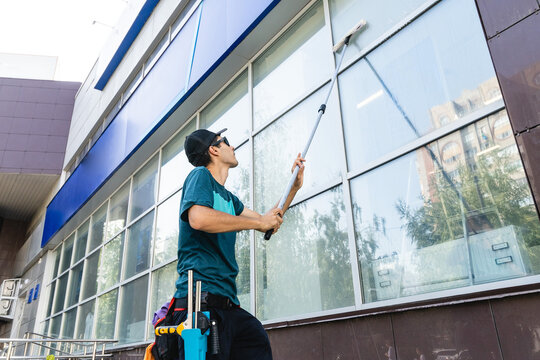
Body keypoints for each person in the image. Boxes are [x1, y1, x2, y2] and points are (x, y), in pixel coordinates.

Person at [174, 128, 305, 360]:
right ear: (214, 149)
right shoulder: (200, 177)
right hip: (199, 301)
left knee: (256, 340)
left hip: (227, 304)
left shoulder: (228, 198)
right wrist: (259, 224)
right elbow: (198, 218)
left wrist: (293, 186)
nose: (232, 147)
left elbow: (267, 221)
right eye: (227, 142)